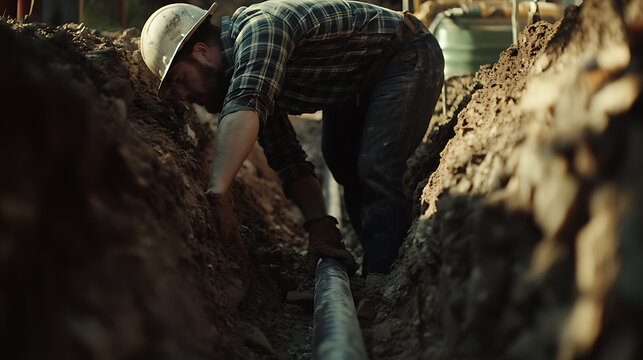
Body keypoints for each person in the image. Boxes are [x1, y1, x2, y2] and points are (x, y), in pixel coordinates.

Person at [140, 0, 444, 276]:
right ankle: (372, 259)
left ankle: (383, 279)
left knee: (376, 166)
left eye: (181, 80)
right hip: (354, 84)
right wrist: (318, 224)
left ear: (201, 51)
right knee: (341, 161)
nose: (184, 96)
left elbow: (246, 101)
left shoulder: (260, 29)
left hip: (404, 54)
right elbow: (286, 155)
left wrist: (218, 195)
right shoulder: (248, 72)